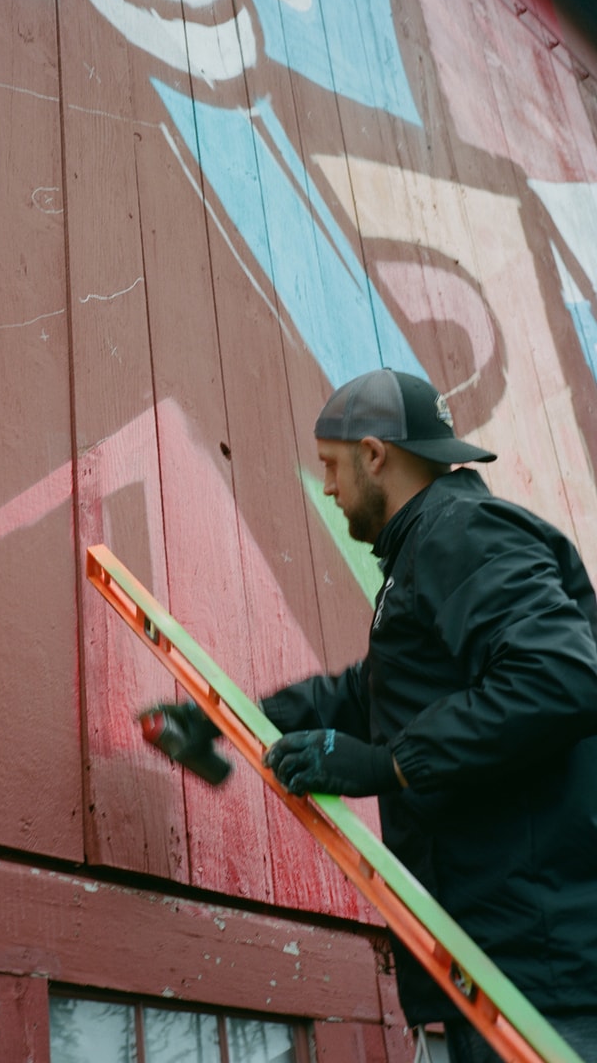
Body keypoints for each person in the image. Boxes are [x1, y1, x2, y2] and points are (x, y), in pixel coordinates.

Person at [145, 368, 597, 1063]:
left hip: (545, 976)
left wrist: (392, 764)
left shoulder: (460, 533)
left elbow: (561, 677)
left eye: (332, 464)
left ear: (376, 454)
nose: (327, 486)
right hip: (513, 962)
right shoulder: (433, 546)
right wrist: (230, 717)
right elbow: (370, 695)